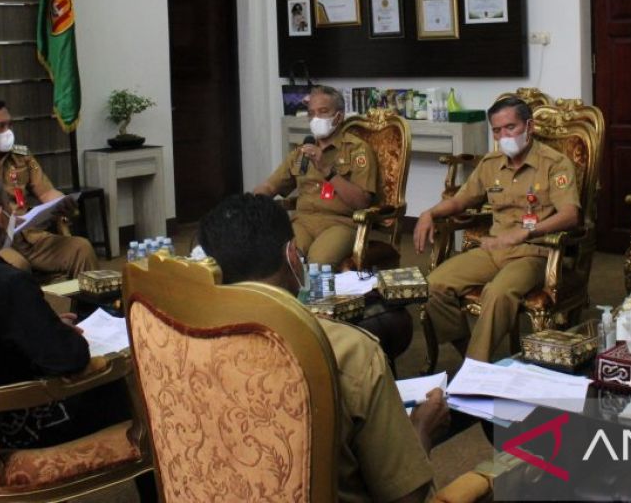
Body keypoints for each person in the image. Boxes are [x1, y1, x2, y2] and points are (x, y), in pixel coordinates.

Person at [198, 193, 447, 503]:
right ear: (292, 256)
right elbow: (407, 496)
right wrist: (421, 429)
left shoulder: (183, 343)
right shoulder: (348, 352)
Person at [0, 162, 149, 474]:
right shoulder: (5, 280)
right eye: (8, 204)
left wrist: (44, 327)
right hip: (15, 422)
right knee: (132, 390)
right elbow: (68, 360)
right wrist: (67, 337)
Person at [414, 96, 581, 362]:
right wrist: (429, 213)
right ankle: (473, 355)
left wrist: (528, 231)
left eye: (510, 127)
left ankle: (474, 370)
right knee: (434, 285)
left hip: (533, 252)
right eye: (497, 130)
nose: (504, 136)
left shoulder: (555, 164)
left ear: (530, 126)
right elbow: (461, 200)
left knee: (497, 293)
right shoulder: (491, 163)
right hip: (494, 249)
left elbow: (570, 215)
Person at [0, 99, 97, 279]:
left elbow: (46, 192)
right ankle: (32, 307)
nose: (8, 132)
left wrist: (61, 202)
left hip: (28, 236)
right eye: (0, 126)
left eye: (10, 125)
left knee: (81, 249)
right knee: (17, 266)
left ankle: (88, 307)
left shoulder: (22, 156)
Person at [253, 85, 378, 267]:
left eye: (323, 112)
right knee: (280, 258)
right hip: (303, 222)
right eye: (311, 113)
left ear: (339, 116)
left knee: (318, 263)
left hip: (340, 224)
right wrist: (251, 203)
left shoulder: (357, 150)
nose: (315, 118)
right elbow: (271, 186)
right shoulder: (301, 152)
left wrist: (328, 170)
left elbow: (362, 202)